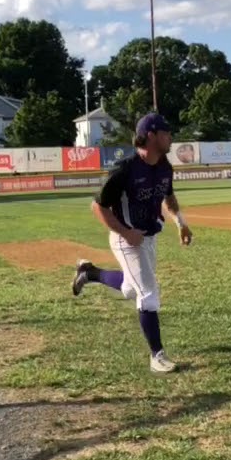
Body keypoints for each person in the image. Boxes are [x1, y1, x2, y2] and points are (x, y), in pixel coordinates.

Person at [70, 113, 193, 373]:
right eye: (166, 133)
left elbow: (169, 197)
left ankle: (89, 273)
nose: (170, 137)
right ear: (151, 135)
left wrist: (180, 223)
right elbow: (97, 207)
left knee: (130, 289)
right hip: (126, 239)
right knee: (148, 293)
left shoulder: (164, 166)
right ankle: (157, 356)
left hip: (148, 237)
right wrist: (126, 233)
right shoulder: (125, 170)